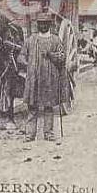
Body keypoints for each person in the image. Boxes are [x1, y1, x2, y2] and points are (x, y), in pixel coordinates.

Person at [18, 12, 67, 142]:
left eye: (46, 24)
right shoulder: (31, 40)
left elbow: (62, 57)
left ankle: (48, 133)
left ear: (49, 25)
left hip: (49, 79)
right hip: (34, 78)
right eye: (41, 24)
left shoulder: (55, 40)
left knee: (48, 107)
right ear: (37, 25)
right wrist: (27, 63)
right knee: (32, 108)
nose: (43, 26)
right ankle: (30, 135)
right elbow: (21, 56)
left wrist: (51, 55)